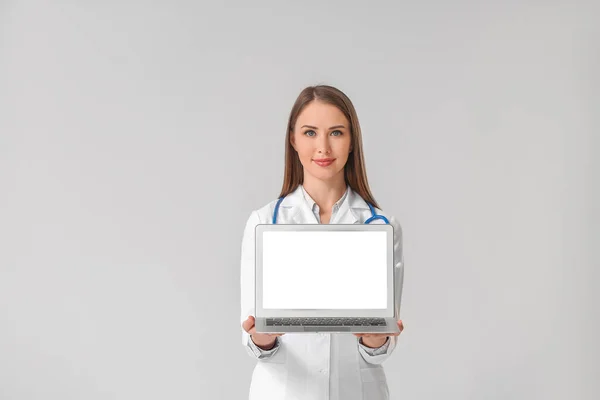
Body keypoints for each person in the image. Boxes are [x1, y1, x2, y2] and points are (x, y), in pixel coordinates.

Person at [240, 85, 405, 400]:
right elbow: (254, 343)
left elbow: (380, 351)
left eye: (337, 133)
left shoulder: (382, 227)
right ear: (293, 139)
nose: (323, 147)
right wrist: (263, 337)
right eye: (310, 132)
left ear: (352, 140)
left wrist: (376, 339)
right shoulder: (264, 222)